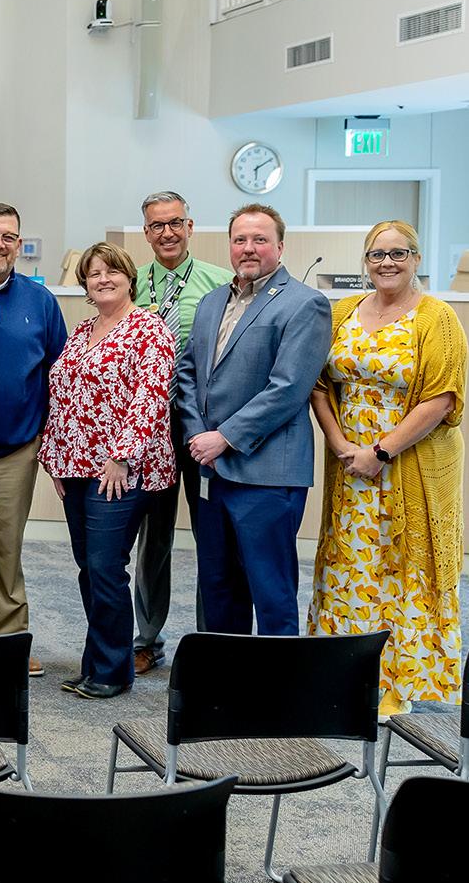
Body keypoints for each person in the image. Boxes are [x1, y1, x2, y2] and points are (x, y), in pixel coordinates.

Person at [308, 220, 465, 718]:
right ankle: (346, 675)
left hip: (408, 463)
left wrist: (379, 453)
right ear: (366, 261)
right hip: (350, 466)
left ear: (416, 258)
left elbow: (442, 399)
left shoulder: (437, 318)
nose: (387, 263)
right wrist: (341, 445)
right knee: (351, 563)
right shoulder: (343, 312)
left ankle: (401, 681)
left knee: (402, 568)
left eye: (399, 253)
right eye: (377, 254)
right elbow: (318, 384)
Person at [173, 204, 332, 636]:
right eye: (240, 239)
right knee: (218, 588)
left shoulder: (306, 304)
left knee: (271, 592)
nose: (248, 248)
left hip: (266, 475)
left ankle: (278, 681)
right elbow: (187, 373)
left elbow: (288, 389)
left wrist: (224, 437)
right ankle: (229, 678)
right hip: (211, 470)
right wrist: (198, 435)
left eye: (260, 239)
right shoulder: (212, 302)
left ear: (280, 246)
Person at [39, 243, 175, 699]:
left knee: (105, 566)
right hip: (76, 466)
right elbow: (63, 396)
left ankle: (114, 671)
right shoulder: (82, 330)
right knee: (89, 568)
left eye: (112, 271)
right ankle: (96, 662)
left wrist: (122, 455)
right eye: (94, 273)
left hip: (122, 471)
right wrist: (54, 457)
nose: (103, 279)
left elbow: (151, 397)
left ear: (129, 278)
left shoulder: (148, 328)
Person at [0, 203, 67, 676]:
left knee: (7, 548)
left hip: (18, 447)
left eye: (7, 237)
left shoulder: (41, 301)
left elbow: (60, 373)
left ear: (18, 245)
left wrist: (51, 441)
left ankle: (9, 641)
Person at [128, 191, 229, 675]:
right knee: (154, 537)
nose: (166, 233)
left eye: (175, 223)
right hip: (148, 430)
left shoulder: (221, 283)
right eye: (156, 225)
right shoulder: (130, 282)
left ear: (190, 226)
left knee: (212, 534)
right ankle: (147, 638)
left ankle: (212, 640)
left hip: (202, 427)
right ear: (146, 232)